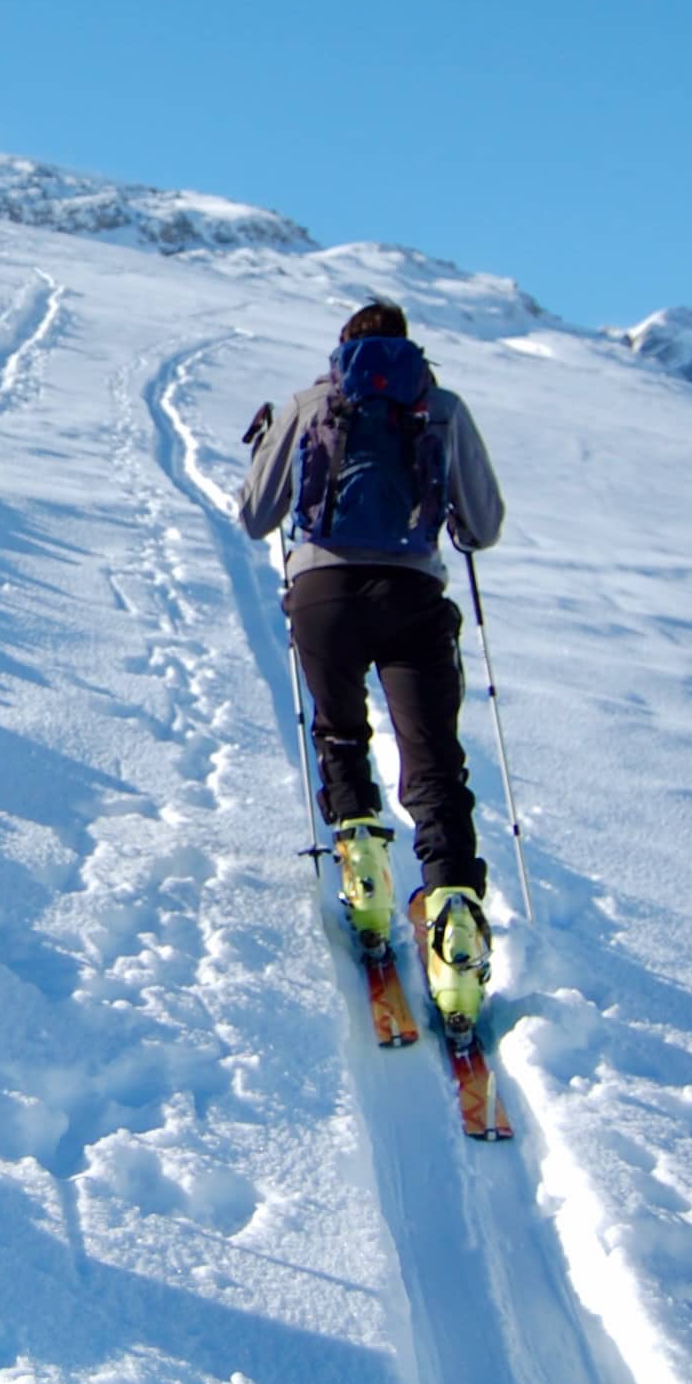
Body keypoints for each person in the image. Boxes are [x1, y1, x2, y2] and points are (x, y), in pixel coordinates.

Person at [238, 298, 505, 1026]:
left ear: (342, 349)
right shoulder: (440, 406)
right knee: (434, 762)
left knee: (340, 729)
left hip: (323, 594)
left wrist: (270, 445)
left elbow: (256, 516)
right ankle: (452, 922)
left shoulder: (309, 402)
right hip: (415, 595)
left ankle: (363, 872)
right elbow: (483, 526)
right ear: (409, 349)